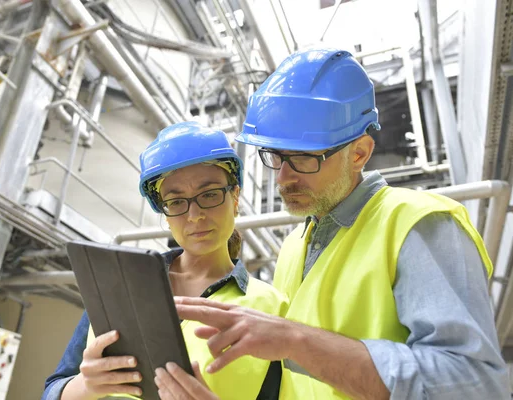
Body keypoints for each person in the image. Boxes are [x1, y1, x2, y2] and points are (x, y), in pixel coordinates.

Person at [153, 48, 510, 400]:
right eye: (275, 156)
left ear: (359, 153)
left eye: (304, 158)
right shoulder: (295, 246)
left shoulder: (418, 224)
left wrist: (298, 340)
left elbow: (474, 384)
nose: (283, 178)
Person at [42, 121, 288, 400]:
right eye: (176, 201)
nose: (195, 215)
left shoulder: (271, 307)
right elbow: (52, 390)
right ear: (166, 212)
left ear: (235, 197)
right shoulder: (119, 285)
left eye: (209, 194)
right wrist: (85, 387)